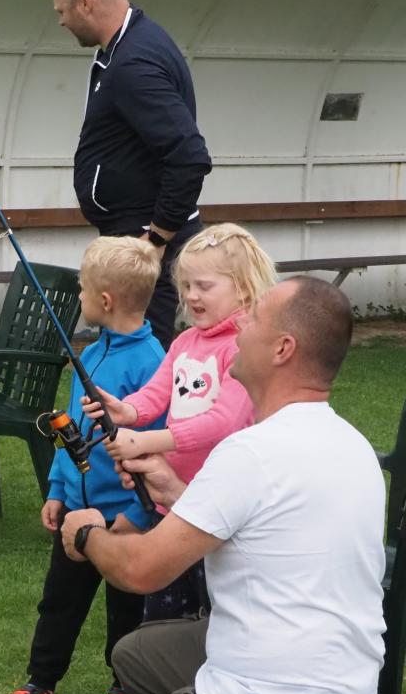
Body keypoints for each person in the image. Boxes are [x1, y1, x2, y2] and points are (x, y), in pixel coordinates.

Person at [59, 276, 385, 694]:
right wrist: (172, 488)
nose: (238, 330)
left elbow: (140, 569)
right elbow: (260, 532)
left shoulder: (250, 454)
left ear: (283, 349)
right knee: (135, 656)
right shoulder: (351, 444)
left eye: (253, 320)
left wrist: (85, 534)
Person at [0, 237, 165, 694]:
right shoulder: (88, 352)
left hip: (125, 517)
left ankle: (127, 690)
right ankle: (40, 686)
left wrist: (137, 516)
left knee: (126, 606)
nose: (80, 298)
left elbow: (155, 445)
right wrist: (57, 489)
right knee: (59, 601)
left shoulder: (152, 362)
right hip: (75, 512)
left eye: (83, 290)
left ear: (104, 300)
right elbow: (70, 428)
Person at [83, 223, 275, 618]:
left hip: (219, 507)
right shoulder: (186, 341)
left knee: (215, 611)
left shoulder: (243, 348)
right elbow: (155, 394)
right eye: (186, 285)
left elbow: (223, 422)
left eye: (204, 286)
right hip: (170, 503)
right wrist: (126, 411)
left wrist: (145, 442)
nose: (191, 295)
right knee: (164, 611)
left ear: (243, 288)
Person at [53, 0, 212, 351]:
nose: (61, 22)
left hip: (143, 243)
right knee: (127, 358)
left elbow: (189, 155)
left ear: (85, 3)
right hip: (130, 237)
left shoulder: (133, 61)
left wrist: (155, 239)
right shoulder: (132, 45)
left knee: (140, 364)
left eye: (62, 11)